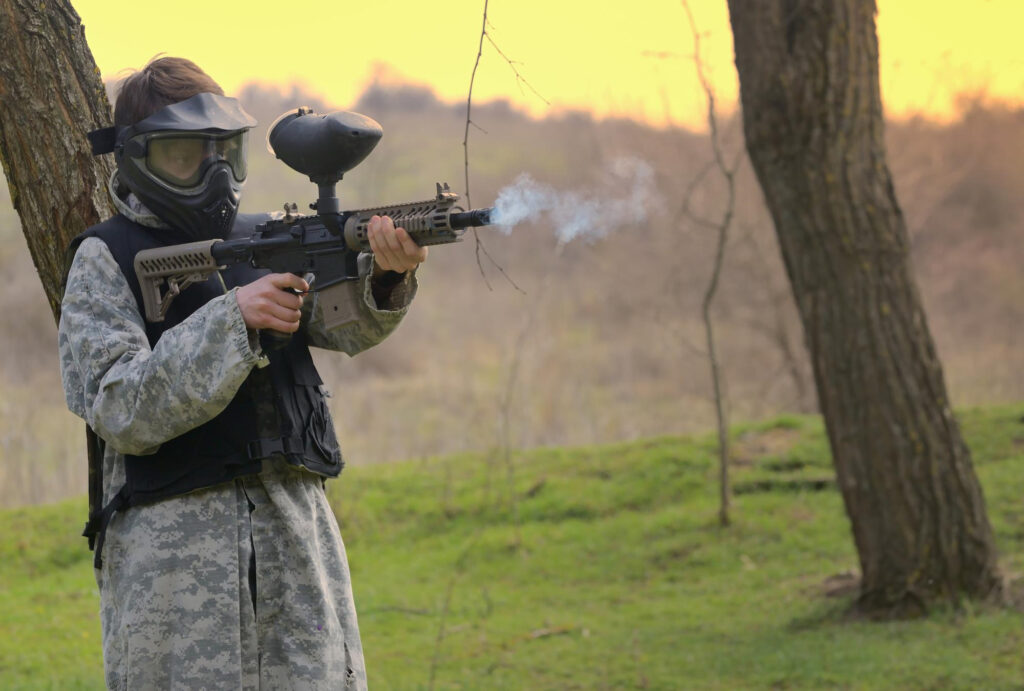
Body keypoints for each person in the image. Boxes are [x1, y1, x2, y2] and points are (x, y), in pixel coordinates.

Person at [58, 56, 426, 689]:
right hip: (176, 576)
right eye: (187, 157)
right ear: (138, 158)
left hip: (293, 541)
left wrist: (387, 275)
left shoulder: (262, 239)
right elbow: (119, 406)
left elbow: (343, 328)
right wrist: (233, 321)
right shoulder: (105, 258)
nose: (214, 175)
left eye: (226, 153)